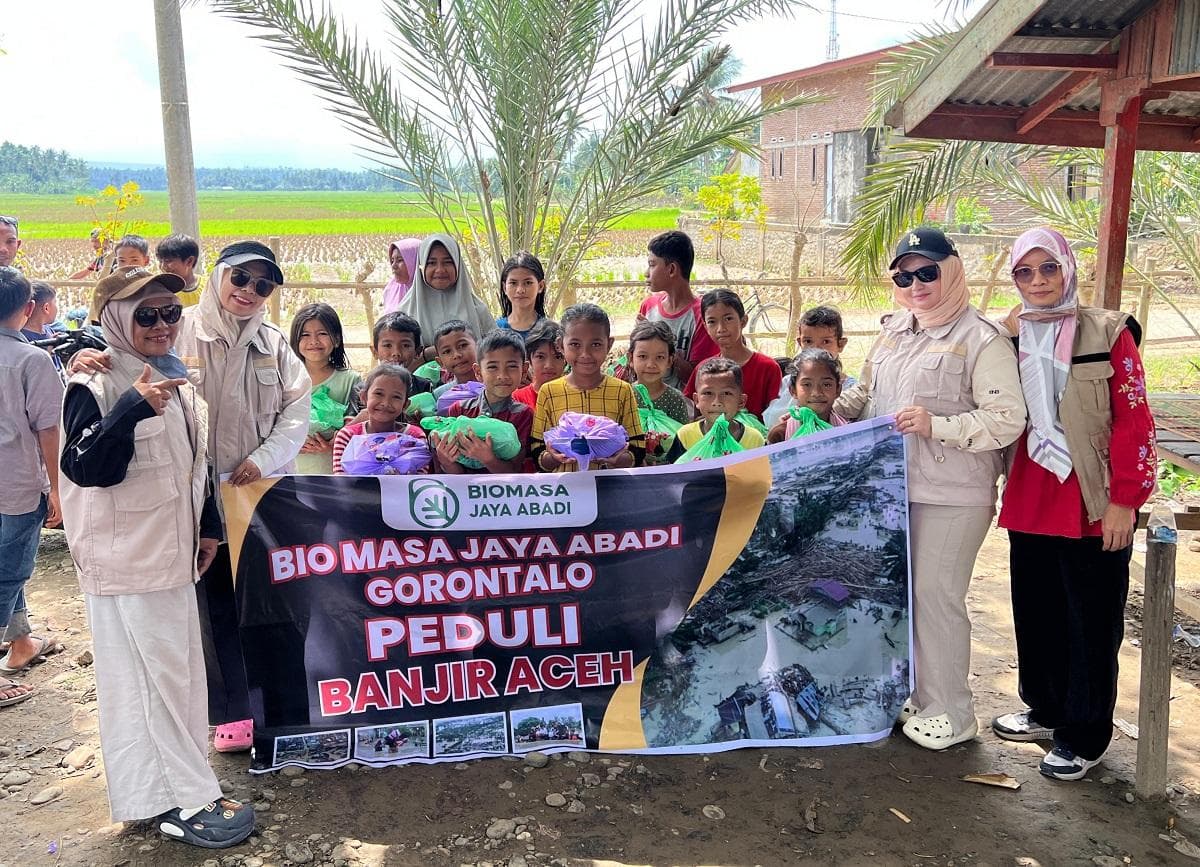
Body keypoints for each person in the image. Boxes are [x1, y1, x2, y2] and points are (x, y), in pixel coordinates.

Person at [69, 245, 310, 753]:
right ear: (220, 276)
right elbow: (114, 374)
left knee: (270, 597)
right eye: (241, 278)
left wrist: (263, 460)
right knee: (213, 604)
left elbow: (296, 411)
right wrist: (85, 353)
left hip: (255, 492)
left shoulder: (273, 344)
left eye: (263, 285)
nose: (249, 291)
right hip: (193, 494)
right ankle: (231, 711)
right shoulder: (176, 334)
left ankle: (283, 703)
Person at [57, 267, 255, 847]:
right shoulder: (91, 386)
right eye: (147, 314)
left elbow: (196, 467)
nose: (163, 325)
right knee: (162, 682)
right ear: (115, 319)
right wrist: (131, 409)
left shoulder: (180, 382)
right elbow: (86, 467)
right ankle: (192, 801)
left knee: (167, 678)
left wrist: (209, 528)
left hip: (171, 556)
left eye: (171, 312)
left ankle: (151, 795)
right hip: (127, 561)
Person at [834, 227, 1027, 751]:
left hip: (952, 493)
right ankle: (921, 695)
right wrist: (838, 407)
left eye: (927, 272)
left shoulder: (981, 338)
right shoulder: (896, 331)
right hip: (893, 490)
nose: (915, 283)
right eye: (904, 275)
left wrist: (938, 425)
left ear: (953, 270)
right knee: (907, 597)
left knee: (938, 597)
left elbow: (1007, 418)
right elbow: (871, 390)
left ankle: (953, 711)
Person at [990, 227, 1156, 782]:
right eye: (1024, 272)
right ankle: (1046, 708)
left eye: (1048, 269)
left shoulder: (1107, 332)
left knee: (1091, 621)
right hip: (1031, 492)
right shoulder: (1008, 334)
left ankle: (1084, 735)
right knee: (1036, 610)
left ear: (1067, 269)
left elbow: (1135, 419)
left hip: (1092, 496)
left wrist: (1124, 501)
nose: (1037, 282)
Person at [0, 267, 64, 697]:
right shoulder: (32, 360)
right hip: (18, 486)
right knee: (9, 573)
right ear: (28, 309)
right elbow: (48, 430)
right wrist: (57, 488)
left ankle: (21, 643)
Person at [531, 303, 643, 471]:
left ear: (609, 344)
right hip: (566, 492)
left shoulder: (622, 391)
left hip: (609, 488)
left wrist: (618, 459)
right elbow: (537, 449)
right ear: (561, 345)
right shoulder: (549, 392)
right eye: (575, 344)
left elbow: (637, 447)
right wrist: (553, 457)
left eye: (596, 344)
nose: (585, 354)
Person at [431, 330, 533, 474]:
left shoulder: (523, 414)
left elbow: (514, 471)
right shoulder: (458, 410)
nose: (502, 376)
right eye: (492, 367)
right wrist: (446, 460)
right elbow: (457, 474)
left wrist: (488, 459)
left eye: (511, 366)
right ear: (478, 372)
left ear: (524, 370)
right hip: (465, 493)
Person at [638, 230, 718, 388]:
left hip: (683, 407)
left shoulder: (703, 316)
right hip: (646, 401)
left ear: (672, 269)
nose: (646, 273)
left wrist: (660, 341)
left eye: (652, 264)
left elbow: (698, 377)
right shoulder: (648, 306)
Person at [685, 289, 781, 420]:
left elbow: (775, 415)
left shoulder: (768, 367)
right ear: (705, 326)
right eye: (712, 322)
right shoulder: (703, 368)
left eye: (728, 319)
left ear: (743, 321)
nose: (721, 329)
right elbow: (693, 411)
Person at [291, 303, 363, 474]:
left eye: (322, 333)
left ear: (336, 339)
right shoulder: (285, 379)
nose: (314, 341)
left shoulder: (351, 380)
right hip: (291, 471)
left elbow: (358, 426)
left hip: (332, 472)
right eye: (305, 335)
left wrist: (335, 443)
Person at [396, 234, 494, 356]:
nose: (440, 270)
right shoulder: (405, 313)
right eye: (431, 263)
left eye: (447, 262)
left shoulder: (478, 310)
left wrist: (428, 353)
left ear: (458, 265)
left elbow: (495, 353)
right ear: (421, 267)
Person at [764, 305, 855, 427]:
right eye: (808, 341)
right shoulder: (789, 383)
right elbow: (772, 420)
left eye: (826, 342)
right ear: (799, 343)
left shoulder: (851, 389)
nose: (816, 348)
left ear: (841, 344)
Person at [332, 364, 426, 474]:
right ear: (364, 397)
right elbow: (340, 479)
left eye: (396, 397)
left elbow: (420, 480)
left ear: (405, 404)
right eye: (379, 394)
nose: (386, 403)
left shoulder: (414, 436)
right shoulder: (347, 436)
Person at [666, 357, 765, 462]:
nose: (717, 402)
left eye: (726, 393)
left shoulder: (754, 439)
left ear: (741, 401)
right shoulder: (685, 435)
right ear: (696, 400)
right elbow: (673, 474)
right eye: (708, 393)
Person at [767, 348, 847, 443]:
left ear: (838, 390)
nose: (816, 393)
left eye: (826, 384)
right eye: (807, 385)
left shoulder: (848, 432)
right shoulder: (780, 435)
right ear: (793, 391)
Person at [628, 319, 692, 424]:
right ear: (631, 359)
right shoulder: (624, 396)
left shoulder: (675, 399)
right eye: (643, 356)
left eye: (659, 357)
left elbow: (682, 436)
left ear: (669, 361)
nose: (651, 365)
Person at [369, 312, 433, 394]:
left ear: (418, 352)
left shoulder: (424, 387)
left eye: (405, 345)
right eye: (388, 345)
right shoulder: (365, 389)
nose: (396, 353)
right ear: (375, 352)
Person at [512, 320, 564, 410]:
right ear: (529, 359)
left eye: (558, 357)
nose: (549, 365)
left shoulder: (574, 395)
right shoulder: (517, 398)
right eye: (540, 357)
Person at [496, 251, 547, 339]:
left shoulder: (549, 332)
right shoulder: (496, 330)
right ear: (504, 288)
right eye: (513, 283)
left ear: (540, 286)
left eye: (528, 283)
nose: (520, 290)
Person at [431, 320, 480, 399]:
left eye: (462, 345)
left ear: (478, 347)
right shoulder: (440, 395)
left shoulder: (495, 384)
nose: (456, 355)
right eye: (447, 351)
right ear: (440, 362)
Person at [157, 234, 203, 307]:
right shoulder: (160, 292)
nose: (163, 266)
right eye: (160, 261)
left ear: (189, 261)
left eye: (168, 261)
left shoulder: (208, 287)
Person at [382, 238, 420, 312]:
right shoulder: (390, 290)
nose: (393, 266)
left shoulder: (431, 295)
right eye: (392, 261)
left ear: (416, 261)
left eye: (400, 260)